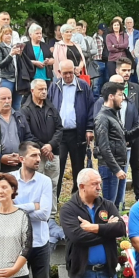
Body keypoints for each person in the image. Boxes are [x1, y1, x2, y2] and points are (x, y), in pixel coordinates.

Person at [10, 142, 52, 278]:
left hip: (40, 244)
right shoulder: (9, 180)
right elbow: (4, 211)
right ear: (21, 158)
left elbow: (45, 214)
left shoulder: (44, 181)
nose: (38, 159)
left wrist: (18, 208)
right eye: (34, 155)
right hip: (17, 246)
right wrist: (32, 206)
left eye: (39, 155)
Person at [94, 82, 139, 202]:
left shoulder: (113, 115)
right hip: (110, 168)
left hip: (118, 166)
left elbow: (125, 136)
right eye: (120, 95)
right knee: (109, 205)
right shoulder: (102, 118)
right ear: (111, 96)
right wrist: (116, 170)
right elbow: (104, 147)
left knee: (116, 205)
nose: (123, 98)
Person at [48, 60, 95, 199]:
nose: (68, 75)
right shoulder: (54, 86)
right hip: (59, 135)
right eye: (65, 73)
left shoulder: (83, 86)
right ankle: (54, 200)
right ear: (59, 73)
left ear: (75, 70)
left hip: (78, 133)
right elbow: (49, 108)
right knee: (58, 167)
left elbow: (91, 108)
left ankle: (78, 198)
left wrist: (89, 128)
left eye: (70, 72)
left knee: (78, 168)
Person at [20, 79, 63, 216]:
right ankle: (39, 212)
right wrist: (42, 148)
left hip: (53, 152)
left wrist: (51, 145)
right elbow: (27, 133)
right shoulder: (25, 110)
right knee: (37, 184)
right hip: (36, 155)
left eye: (45, 89)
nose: (44, 92)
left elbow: (59, 129)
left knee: (53, 183)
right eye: (40, 89)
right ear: (32, 91)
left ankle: (51, 214)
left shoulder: (51, 107)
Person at [114, 58, 139, 203]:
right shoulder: (110, 89)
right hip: (116, 135)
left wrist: (135, 131)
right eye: (124, 70)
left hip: (134, 134)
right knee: (118, 166)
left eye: (129, 70)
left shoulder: (136, 88)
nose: (127, 73)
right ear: (117, 71)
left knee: (137, 165)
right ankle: (118, 198)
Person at [0, 88, 34, 173]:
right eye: (3, 98)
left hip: (19, 166)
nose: (7, 101)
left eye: (9, 98)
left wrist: (22, 154)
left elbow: (28, 138)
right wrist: (0, 158)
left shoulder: (20, 117)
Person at [0, 25, 24, 110]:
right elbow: (0, 64)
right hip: (6, 78)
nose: (9, 36)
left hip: (17, 79)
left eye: (10, 34)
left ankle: (17, 121)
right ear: (1, 35)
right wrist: (11, 54)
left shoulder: (13, 46)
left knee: (17, 104)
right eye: (6, 34)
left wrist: (20, 54)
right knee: (4, 103)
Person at [92, 23, 109, 99]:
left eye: (104, 30)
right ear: (99, 30)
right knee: (97, 81)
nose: (103, 32)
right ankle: (96, 98)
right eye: (102, 30)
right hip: (97, 60)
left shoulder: (107, 37)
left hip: (106, 61)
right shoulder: (94, 38)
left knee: (106, 79)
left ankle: (104, 96)